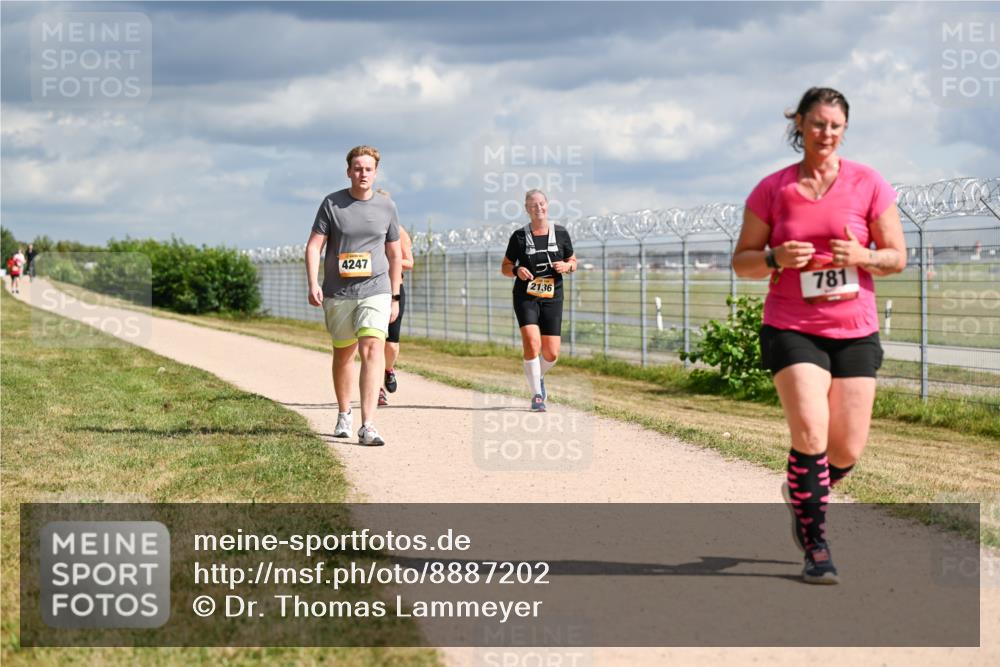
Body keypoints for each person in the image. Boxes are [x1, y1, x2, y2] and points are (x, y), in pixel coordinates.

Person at [733, 87, 906, 584]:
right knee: (809, 433)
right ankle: (817, 548)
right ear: (799, 126)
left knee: (847, 449)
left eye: (835, 125)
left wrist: (864, 257)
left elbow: (896, 256)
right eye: (816, 124)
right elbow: (743, 261)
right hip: (792, 325)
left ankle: (805, 486)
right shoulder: (773, 188)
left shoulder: (868, 183)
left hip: (855, 328)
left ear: (844, 129)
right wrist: (774, 258)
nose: (825, 133)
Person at [306, 146, 402, 446]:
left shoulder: (387, 207)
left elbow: (395, 254)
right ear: (349, 171)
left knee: (372, 348)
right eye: (358, 168)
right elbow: (313, 247)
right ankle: (344, 413)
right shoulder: (332, 204)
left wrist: (395, 295)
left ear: (375, 172)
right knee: (343, 353)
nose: (363, 174)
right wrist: (313, 282)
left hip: (376, 289)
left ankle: (368, 424)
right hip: (339, 292)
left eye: (368, 169)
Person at [501, 189, 577, 411]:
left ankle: (537, 376)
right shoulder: (519, 237)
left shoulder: (561, 233)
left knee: (551, 353)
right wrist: (517, 270)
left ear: (548, 205)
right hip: (526, 296)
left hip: (553, 296)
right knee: (532, 343)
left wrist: (567, 266)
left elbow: (573, 260)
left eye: (541, 204)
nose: (538, 208)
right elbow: (505, 267)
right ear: (527, 209)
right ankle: (537, 396)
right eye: (533, 205)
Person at [373, 189, 414, 407]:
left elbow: (409, 262)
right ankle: (378, 389)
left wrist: (388, 261)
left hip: (394, 289)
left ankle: (389, 369)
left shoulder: (399, 231)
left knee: (392, 344)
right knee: (374, 341)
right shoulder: (367, 231)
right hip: (371, 290)